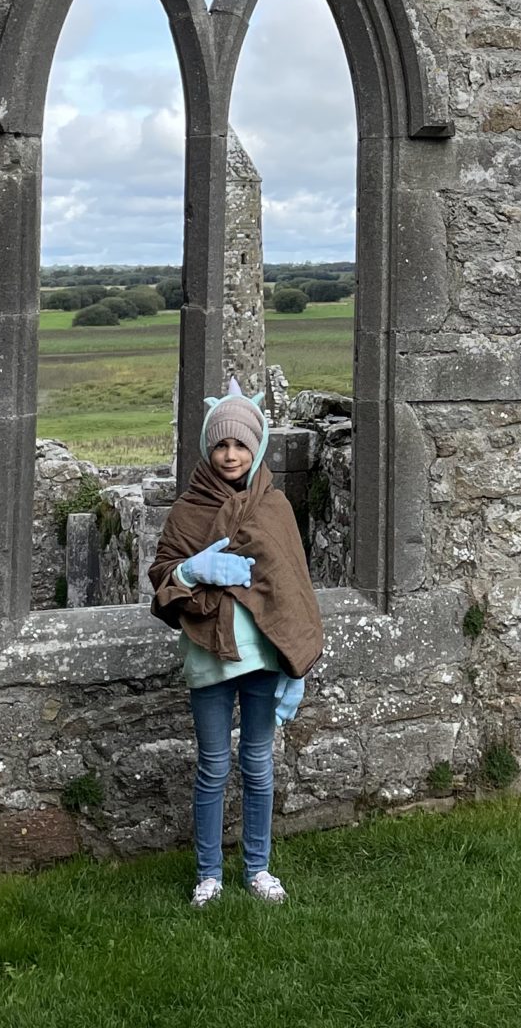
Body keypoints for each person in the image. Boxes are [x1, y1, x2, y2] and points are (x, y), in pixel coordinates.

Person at [148, 381, 323, 907]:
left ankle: (257, 868)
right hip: (210, 659)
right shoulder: (188, 510)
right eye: (221, 444)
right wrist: (190, 569)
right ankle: (209, 873)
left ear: (259, 446)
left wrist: (297, 667)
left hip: (264, 658)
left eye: (241, 444)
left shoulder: (275, 508)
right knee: (213, 766)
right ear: (208, 448)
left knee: (258, 763)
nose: (231, 454)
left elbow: (294, 587)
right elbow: (161, 578)